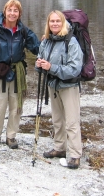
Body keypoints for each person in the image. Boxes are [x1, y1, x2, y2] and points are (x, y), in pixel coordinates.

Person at [0, 0, 39, 149]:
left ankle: (11, 136)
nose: (12, 13)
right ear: (4, 12)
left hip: (18, 72)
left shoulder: (23, 31)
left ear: (19, 14)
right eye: (10, 10)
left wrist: (48, 46)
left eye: (15, 11)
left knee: (16, 106)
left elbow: (37, 48)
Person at [35, 10, 83, 169]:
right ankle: (59, 148)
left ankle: (75, 155)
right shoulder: (45, 41)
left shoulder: (72, 42)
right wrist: (39, 66)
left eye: (58, 21)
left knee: (71, 121)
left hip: (69, 86)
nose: (54, 24)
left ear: (63, 23)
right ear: (48, 24)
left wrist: (51, 67)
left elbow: (75, 69)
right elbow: (41, 64)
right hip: (52, 85)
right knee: (57, 120)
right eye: (51, 21)